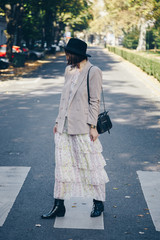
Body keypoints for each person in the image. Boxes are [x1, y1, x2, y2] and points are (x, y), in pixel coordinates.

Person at [41, 38, 109, 219]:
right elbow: (63, 99)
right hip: (64, 127)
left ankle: (98, 203)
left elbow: (94, 101)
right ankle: (59, 205)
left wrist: (93, 127)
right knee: (62, 167)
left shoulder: (93, 72)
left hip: (83, 128)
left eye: (68, 54)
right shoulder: (68, 71)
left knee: (90, 165)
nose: (65, 57)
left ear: (76, 55)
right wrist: (57, 121)